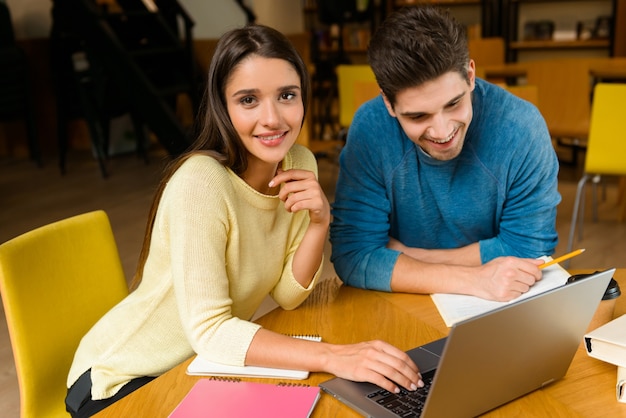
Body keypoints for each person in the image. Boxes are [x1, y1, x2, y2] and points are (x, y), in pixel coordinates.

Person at [65, 24, 422, 418]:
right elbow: (212, 331)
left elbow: (288, 295)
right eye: (248, 99)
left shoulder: (299, 162)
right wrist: (334, 356)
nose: (272, 119)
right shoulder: (202, 183)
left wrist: (320, 222)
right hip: (123, 380)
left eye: (287, 95)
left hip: (201, 367)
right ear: (223, 106)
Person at [330, 6, 562, 302]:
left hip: (497, 300)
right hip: (403, 299)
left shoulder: (521, 128)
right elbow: (353, 255)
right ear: (388, 103)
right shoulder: (371, 128)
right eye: (417, 117)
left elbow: (530, 252)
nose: (441, 132)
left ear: (470, 75)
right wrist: (475, 279)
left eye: (453, 104)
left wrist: (408, 257)